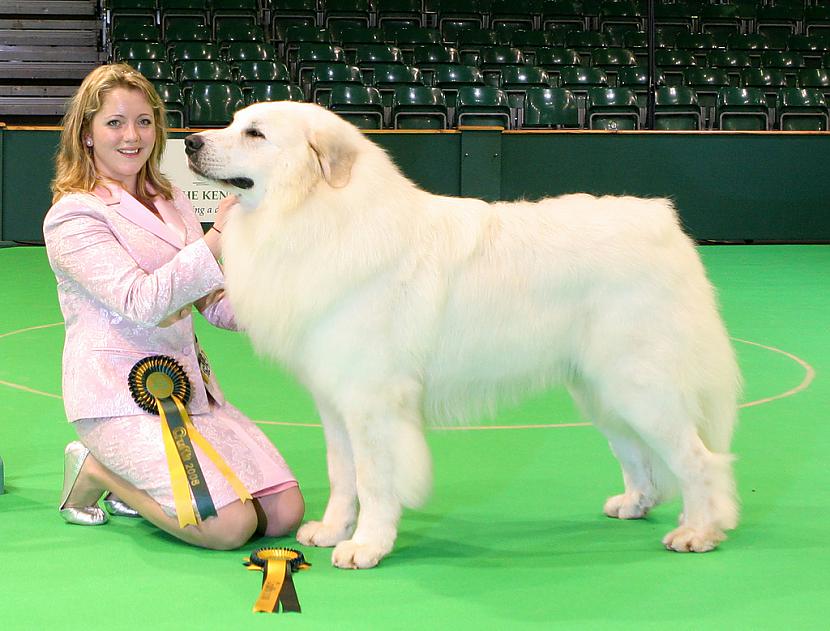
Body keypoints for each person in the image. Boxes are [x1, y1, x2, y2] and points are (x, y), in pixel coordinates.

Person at [43, 63, 304, 550]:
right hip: (117, 401)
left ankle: (139, 483)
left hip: (188, 395)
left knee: (284, 514)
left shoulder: (172, 199)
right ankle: (96, 466)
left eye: (145, 121)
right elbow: (140, 302)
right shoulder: (73, 216)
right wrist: (219, 236)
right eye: (115, 122)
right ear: (86, 134)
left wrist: (285, 308)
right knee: (229, 527)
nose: (132, 136)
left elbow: (212, 303)